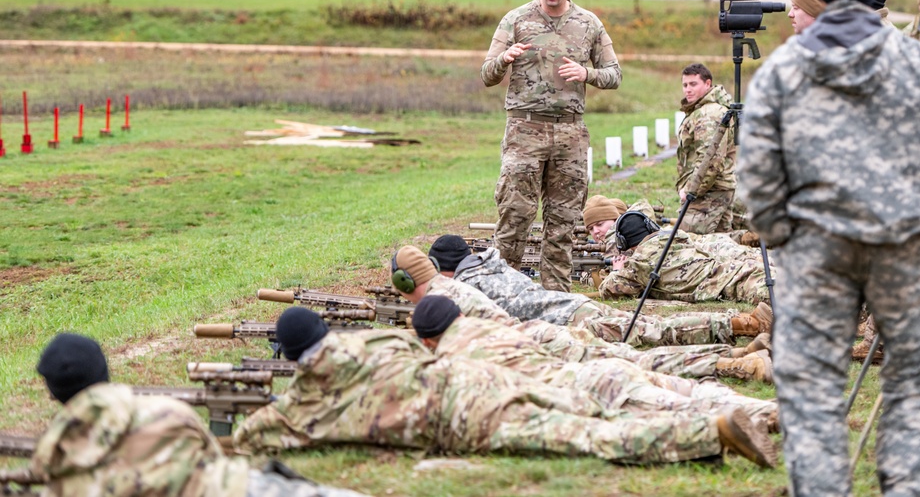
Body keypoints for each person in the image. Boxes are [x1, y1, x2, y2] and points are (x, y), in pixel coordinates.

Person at [737, 0, 920, 496]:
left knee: (814, 393)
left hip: (818, 257)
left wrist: (787, 238)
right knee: (915, 388)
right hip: (907, 252)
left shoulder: (784, 70)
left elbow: (757, 181)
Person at [234, 306, 778, 469]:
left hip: (467, 417)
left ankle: (710, 433)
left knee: (589, 439)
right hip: (485, 378)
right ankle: (731, 415)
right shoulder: (377, 342)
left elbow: (254, 437)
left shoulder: (305, 403)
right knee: (604, 410)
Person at [28, 333, 368, 497]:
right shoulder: (166, 411)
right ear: (104, 370)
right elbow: (214, 457)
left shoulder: (55, 461)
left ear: (52, 392)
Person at [391, 244, 773, 382]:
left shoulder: (451, 294)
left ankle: (737, 349)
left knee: (641, 355)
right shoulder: (482, 270)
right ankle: (737, 352)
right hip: (563, 321)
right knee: (646, 340)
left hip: (557, 331)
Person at [411, 295, 778, 430]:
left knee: (692, 410)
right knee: (696, 393)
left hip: (593, 388)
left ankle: (784, 416)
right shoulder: (497, 331)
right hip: (598, 371)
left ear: (429, 340)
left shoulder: (453, 362)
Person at [481, 0, 622, 293]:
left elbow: (615, 75)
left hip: (570, 133)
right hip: (524, 130)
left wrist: (586, 73)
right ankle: (505, 292)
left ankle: (555, 298)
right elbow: (487, 74)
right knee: (515, 215)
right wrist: (505, 59)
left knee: (563, 223)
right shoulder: (515, 20)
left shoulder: (589, 24)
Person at [426, 237, 771, 347]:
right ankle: (737, 325)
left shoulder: (470, 286)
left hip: (572, 321)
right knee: (649, 327)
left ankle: (741, 325)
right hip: (574, 307)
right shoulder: (494, 265)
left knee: (652, 332)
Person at [597, 212, 774, 306]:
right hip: (731, 268)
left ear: (624, 242)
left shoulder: (641, 261)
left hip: (723, 283)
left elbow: (609, 291)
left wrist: (617, 270)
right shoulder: (674, 236)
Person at [675, 63, 737, 234]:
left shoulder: (709, 114)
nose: (687, 90)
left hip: (708, 193)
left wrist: (690, 191)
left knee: (690, 243)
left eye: (693, 84)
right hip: (715, 190)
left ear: (708, 84)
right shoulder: (702, 110)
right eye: (685, 85)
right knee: (720, 246)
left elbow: (710, 159)